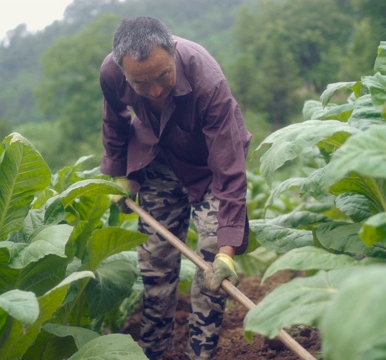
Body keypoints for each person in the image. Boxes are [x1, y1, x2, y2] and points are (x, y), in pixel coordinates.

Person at [99, 16, 251, 359]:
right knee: (156, 268)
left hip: (208, 168)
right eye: (141, 82)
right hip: (155, 160)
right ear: (123, 72)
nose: (154, 90)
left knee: (213, 270)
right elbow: (115, 120)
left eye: (163, 76)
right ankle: (154, 352)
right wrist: (120, 174)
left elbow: (229, 167)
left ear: (173, 52)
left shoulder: (207, 81)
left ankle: (200, 354)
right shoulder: (110, 73)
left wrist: (227, 249)